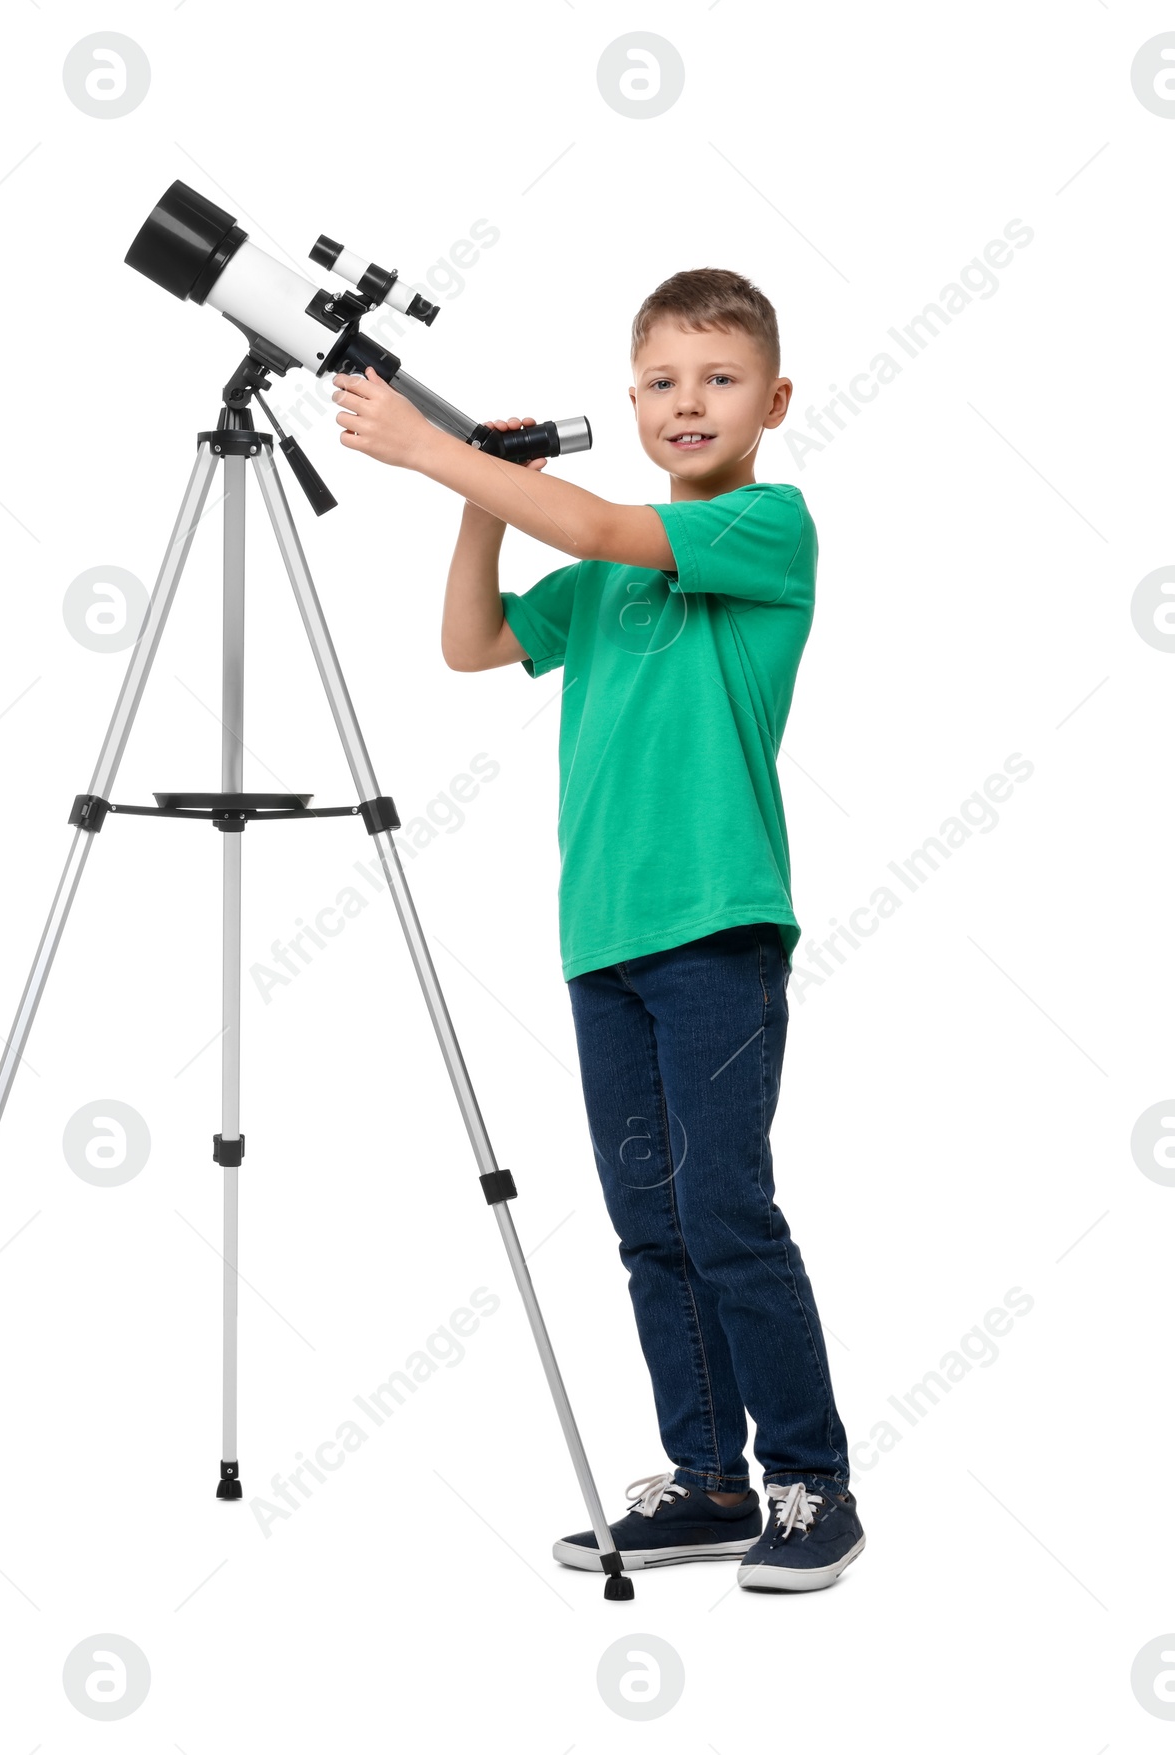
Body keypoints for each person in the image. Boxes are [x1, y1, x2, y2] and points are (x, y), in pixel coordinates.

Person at [328, 268, 863, 1592]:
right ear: (631, 401)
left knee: (727, 1207)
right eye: (664, 383)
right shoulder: (601, 579)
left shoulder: (765, 528)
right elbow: (472, 642)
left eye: (720, 380)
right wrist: (469, 497)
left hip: (716, 936)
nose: (690, 403)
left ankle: (812, 1484)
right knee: (650, 1222)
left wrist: (435, 447)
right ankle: (708, 1483)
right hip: (603, 944)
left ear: (774, 399)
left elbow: (599, 523)